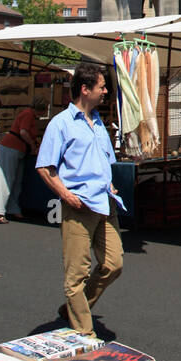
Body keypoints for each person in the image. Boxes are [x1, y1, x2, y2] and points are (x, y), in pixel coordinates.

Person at [36, 62, 125, 335]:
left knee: (114, 264)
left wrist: (109, 183)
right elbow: (44, 167)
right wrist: (66, 195)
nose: (106, 91)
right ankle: (85, 335)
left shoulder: (98, 122)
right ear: (85, 90)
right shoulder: (60, 124)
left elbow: (103, 160)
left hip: (105, 202)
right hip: (79, 205)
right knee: (77, 273)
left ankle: (76, 307)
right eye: (101, 86)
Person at [0, 98, 46, 224]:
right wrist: (32, 145)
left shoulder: (30, 116)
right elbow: (23, 132)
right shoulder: (28, 114)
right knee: (6, 178)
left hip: (19, 150)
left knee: (17, 180)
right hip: (11, 148)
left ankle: (13, 208)